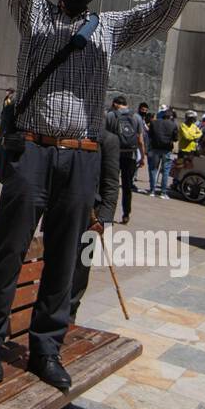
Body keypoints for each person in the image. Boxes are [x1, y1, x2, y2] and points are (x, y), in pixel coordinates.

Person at [0, 0, 205, 391]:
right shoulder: (35, 13)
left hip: (81, 158)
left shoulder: (110, 28)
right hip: (33, 151)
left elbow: (159, 16)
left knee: (66, 260)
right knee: (9, 250)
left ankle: (46, 348)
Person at [70, 128, 120, 325]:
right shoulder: (66, 132)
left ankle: (69, 317)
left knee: (79, 270)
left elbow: (111, 183)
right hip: (62, 210)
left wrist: (104, 219)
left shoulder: (108, 140)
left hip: (91, 219)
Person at [105, 95, 146, 224]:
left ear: (115, 104)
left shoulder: (110, 115)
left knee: (111, 185)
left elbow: (105, 137)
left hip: (113, 155)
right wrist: (142, 156)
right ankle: (126, 214)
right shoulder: (137, 117)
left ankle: (107, 215)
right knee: (127, 187)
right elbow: (140, 140)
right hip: (131, 156)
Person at [146, 104, 179, 198]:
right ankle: (163, 192)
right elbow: (176, 138)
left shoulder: (154, 122)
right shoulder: (173, 125)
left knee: (153, 169)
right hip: (166, 150)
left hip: (155, 148)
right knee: (165, 171)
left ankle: (152, 190)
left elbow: (150, 135)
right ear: (170, 116)